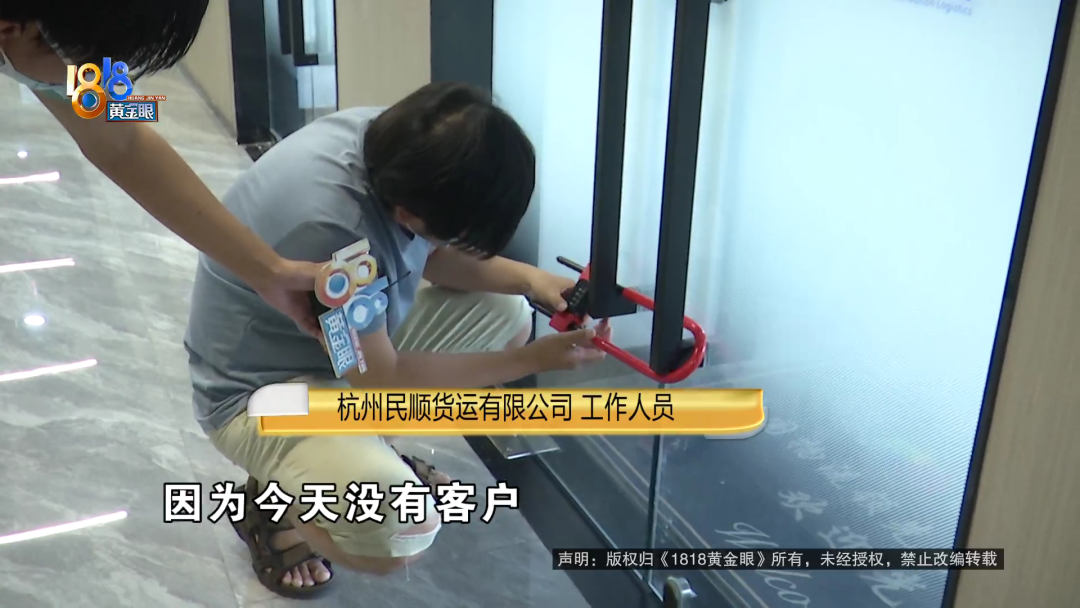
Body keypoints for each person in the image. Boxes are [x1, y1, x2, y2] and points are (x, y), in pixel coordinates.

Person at [184, 81, 612, 598]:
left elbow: (430, 254)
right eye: (454, 232)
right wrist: (535, 359)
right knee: (399, 532)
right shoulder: (333, 230)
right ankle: (277, 512)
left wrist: (532, 280)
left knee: (506, 313)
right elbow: (380, 381)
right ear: (410, 213)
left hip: (340, 353)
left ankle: (351, 457)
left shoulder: (396, 141)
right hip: (259, 391)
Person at [0, 1, 323, 334]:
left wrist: (269, 272)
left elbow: (123, 146)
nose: (100, 81)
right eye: (94, 63)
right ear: (9, 28)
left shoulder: (54, 50)